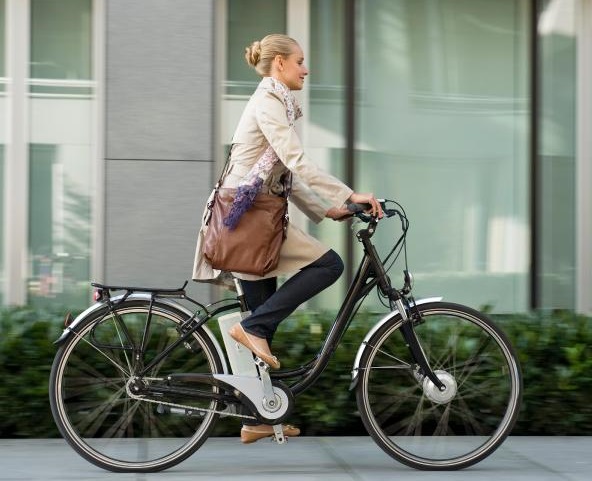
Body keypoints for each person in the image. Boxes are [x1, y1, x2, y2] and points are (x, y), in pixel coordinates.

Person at [192, 33, 382, 443]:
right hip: (248, 220)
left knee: (263, 321)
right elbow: (294, 159)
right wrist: (349, 195)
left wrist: (325, 210)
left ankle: (257, 416)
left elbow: (281, 173)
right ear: (279, 63)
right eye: (300, 61)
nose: (306, 69)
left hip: (254, 218)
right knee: (329, 265)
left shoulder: (275, 103)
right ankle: (253, 330)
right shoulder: (268, 102)